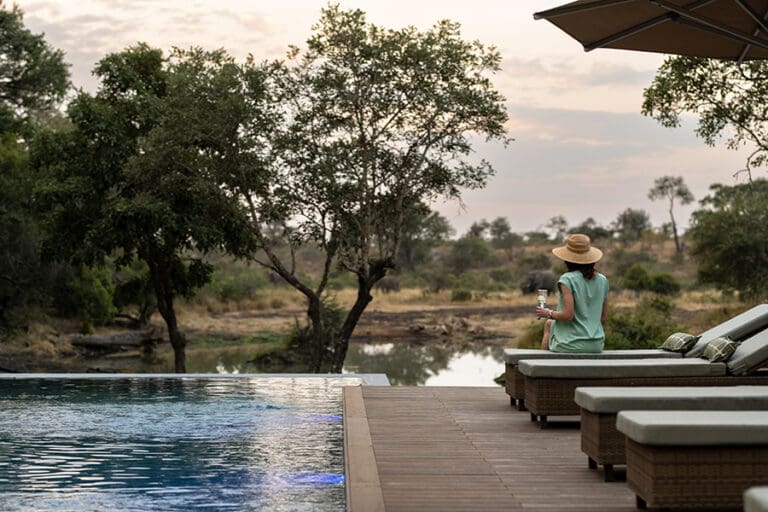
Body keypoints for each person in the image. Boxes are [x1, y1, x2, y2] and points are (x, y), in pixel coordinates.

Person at [535, 233, 609, 353]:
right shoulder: (603, 280)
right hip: (597, 345)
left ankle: (543, 365)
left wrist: (547, 312)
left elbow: (567, 315)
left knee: (548, 324)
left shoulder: (567, 279)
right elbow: (603, 318)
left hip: (570, 345)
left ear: (567, 259)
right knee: (550, 323)